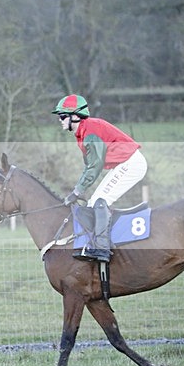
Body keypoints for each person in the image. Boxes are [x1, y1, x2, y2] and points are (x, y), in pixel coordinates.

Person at [52, 94, 148, 263]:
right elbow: (89, 166)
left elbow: (95, 165)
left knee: (99, 200)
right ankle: (95, 244)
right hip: (126, 163)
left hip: (131, 163)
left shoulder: (90, 132)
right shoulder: (82, 133)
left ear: (75, 116)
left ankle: (102, 248)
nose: (60, 120)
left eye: (62, 116)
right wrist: (79, 190)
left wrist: (77, 190)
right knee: (92, 202)